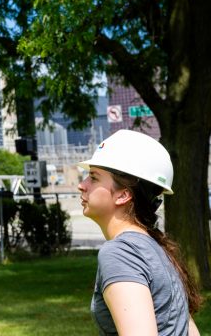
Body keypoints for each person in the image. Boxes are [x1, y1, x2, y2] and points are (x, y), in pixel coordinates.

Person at [78, 129, 202, 335]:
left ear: (123, 195)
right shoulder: (156, 248)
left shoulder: (121, 253)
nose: (82, 185)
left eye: (94, 177)